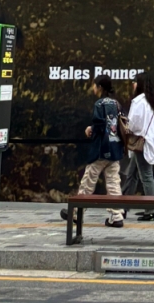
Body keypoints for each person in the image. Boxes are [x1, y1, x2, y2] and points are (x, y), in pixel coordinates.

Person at [60, 74, 124, 227]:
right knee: (113, 183)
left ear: (100, 87)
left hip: (100, 150)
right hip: (114, 149)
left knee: (88, 181)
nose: (93, 88)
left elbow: (100, 126)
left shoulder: (99, 104)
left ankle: (76, 213)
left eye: (94, 85)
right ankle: (117, 216)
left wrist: (91, 129)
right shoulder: (116, 103)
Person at [125, 74, 154, 221]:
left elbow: (133, 124)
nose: (133, 84)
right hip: (149, 142)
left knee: (146, 176)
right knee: (131, 175)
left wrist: (126, 128)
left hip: (140, 143)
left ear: (140, 84)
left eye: (135, 81)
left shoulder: (139, 101)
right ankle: (122, 207)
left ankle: (153, 209)